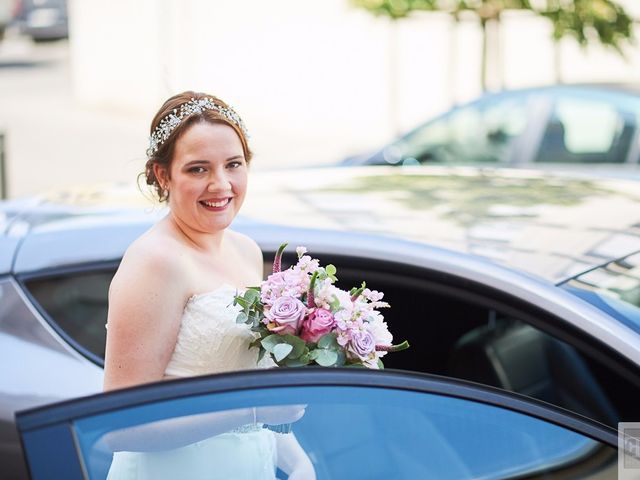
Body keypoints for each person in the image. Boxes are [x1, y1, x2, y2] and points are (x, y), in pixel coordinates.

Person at [103, 91, 315, 479]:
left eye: (233, 165)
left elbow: (249, 380)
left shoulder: (247, 251)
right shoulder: (155, 262)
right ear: (163, 175)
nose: (221, 184)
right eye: (198, 169)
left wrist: (297, 462)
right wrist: (251, 410)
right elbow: (120, 426)